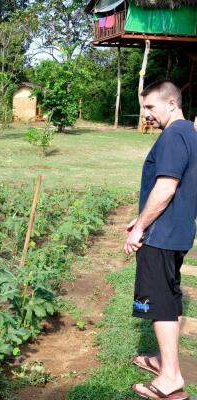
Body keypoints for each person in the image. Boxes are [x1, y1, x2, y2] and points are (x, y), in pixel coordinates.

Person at [125, 80, 197, 400]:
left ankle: (170, 377)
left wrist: (140, 229)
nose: (147, 114)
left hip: (161, 238)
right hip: (176, 232)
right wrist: (140, 217)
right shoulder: (190, 134)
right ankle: (162, 361)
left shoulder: (173, 135)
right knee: (168, 298)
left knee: (160, 305)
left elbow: (166, 188)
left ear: (171, 103)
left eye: (151, 107)